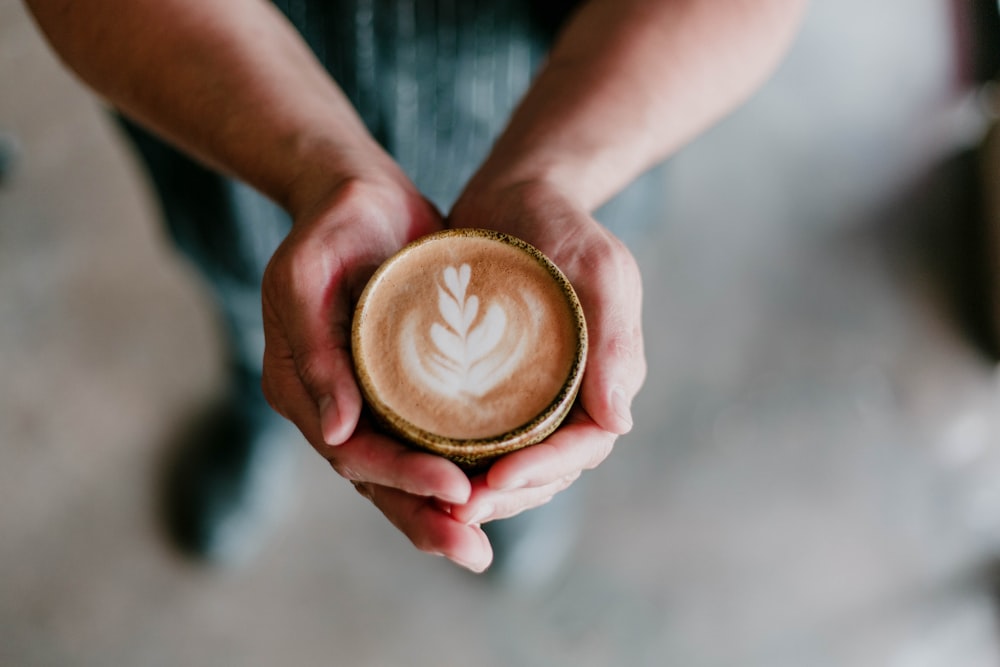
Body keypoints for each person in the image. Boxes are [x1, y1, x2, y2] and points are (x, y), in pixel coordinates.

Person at [24, 0, 804, 574]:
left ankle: (528, 466)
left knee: (572, 354)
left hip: (577, 114)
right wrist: (313, 163)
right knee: (266, 323)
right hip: (236, 120)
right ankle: (260, 408)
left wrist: (551, 170)